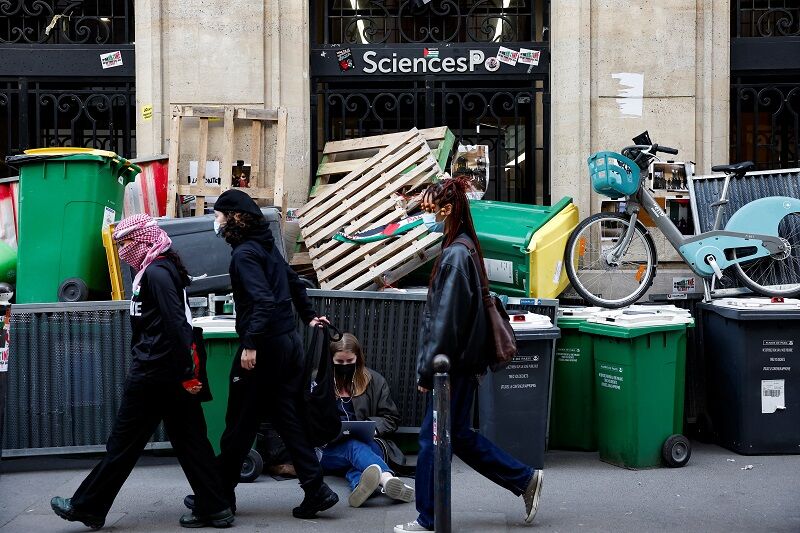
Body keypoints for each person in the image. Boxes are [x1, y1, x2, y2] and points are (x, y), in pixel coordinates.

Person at [50, 214, 234, 530]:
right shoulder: (152, 270)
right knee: (191, 441)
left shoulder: (157, 273)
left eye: (127, 242)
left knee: (123, 444)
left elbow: (177, 324)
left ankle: (88, 506)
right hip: (167, 372)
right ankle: (215, 507)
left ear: (145, 239)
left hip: (155, 373)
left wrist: (187, 371)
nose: (123, 250)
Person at [394, 177, 544, 532]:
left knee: (432, 440)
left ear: (447, 210)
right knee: (455, 435)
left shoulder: (455, 255)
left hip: (452, 367)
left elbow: (444, 322)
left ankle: (428, 518)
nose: (426, 215)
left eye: (430, 209)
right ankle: (524, 480)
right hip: (461, 363)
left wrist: (426, 372)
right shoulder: (463, 249)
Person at [186, 189, 338, 519]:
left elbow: (262, 301)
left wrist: (251, 343)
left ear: (234, 218)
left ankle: (219, 497)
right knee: (290, 418)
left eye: (219, 215)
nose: (216, 221)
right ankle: (316, 489)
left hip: (264, 347)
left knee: (239, 422)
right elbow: (294, 283)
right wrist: (309, 314)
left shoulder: (244, 255)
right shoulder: (266, 247)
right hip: (288, 344)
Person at [321, 332, 415, 507]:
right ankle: (387, 480)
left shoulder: (375, 381)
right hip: (329, 450)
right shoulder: (319, 381)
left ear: (358, 358)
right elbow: (307, 420)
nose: (345, 366)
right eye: (339, 362)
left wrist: (371, 427)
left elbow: (391, 418)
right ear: (330, 360)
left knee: (362, 458)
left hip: (370, 444)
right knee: (353, 447)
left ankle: (362, 486)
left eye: (349, 361)